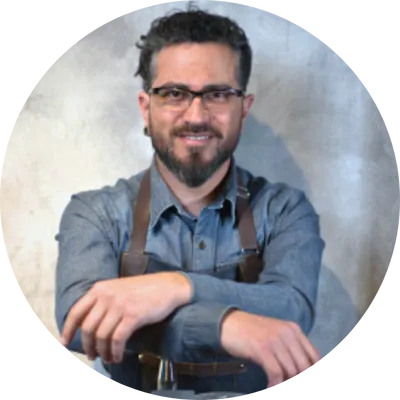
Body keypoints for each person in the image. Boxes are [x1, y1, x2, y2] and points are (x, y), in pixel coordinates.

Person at [55, 3, 325, 398]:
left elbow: (293, 308)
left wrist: (177, 287)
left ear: (243, 108)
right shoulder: (95, 212)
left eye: (218, 94)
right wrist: (225, 325)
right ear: (146, 107)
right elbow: (80, 323)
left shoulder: (285, 210)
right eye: (174, 93)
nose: (196, 115)